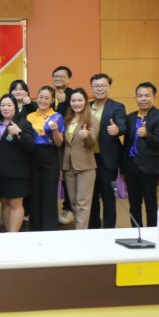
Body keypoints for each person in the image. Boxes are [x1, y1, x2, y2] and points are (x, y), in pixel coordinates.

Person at [123, 82, 159, 228]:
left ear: (154, 97)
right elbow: (126, 144)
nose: (143, 99)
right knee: (134, 204)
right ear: (136, 98)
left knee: (150, 203)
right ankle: (136, 231)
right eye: (140, 96)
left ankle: (152, 233)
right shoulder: (130, 117)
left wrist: (146, 134)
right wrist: (123, 168)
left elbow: (158, 141)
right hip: (131, 166)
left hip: (150, 167)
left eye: (147, 95)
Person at [88, 73, 126, 230]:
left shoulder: (117, 107)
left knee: (108, 196)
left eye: (103, 86)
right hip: (88, 158)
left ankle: (109, 229)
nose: (99, 89)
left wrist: (117, 130)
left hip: (107, 159)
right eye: (96, 86)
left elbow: (122, 125)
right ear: (91, 88)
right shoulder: (86, 106)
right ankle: (94, 228)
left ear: (109, 87)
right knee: (91, 197)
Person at [0, 94, 35, 232]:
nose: (5, 108)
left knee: (15, 203)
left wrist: (19, 133)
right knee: (4, 202)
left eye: (9, 105)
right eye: (2, 105)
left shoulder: (23, 123)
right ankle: (8, 232)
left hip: (17, 171)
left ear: (15, 107)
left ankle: (14, 234)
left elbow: (30, 146)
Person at [26, 86, 65, 231]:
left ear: (52, 100)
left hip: (50, 156)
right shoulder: (29, 116)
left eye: (47, 98)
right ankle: (35, 228)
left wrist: (55, 130)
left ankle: (49, 228)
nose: (43, 100)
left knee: (49, 194)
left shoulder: (57, 117)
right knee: (34, 194)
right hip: (32, 156)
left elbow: (59, 143)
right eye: (40, 97)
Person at [61, 88, 99, 230]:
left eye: (80, 100)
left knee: (83, 203)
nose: (76, 103)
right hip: (68, 167)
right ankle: (80, 230)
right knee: (74, 203)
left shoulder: (92, 120)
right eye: (73, 100)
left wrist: (87, 135)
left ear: (86, 102)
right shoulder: (67, 120)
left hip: (86, 167)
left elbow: (92, 142)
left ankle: (81, 234)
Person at [52, 65, 75, 225]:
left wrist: (65, 101)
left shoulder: (73, 95)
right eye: (56, 76)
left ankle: (68, 209)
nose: (58, 79)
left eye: (62, 76)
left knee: (67, 176)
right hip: (51, 142)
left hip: (68, 141)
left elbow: (78, 110)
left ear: (69, 79)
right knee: (54, 175)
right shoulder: (49, 94)